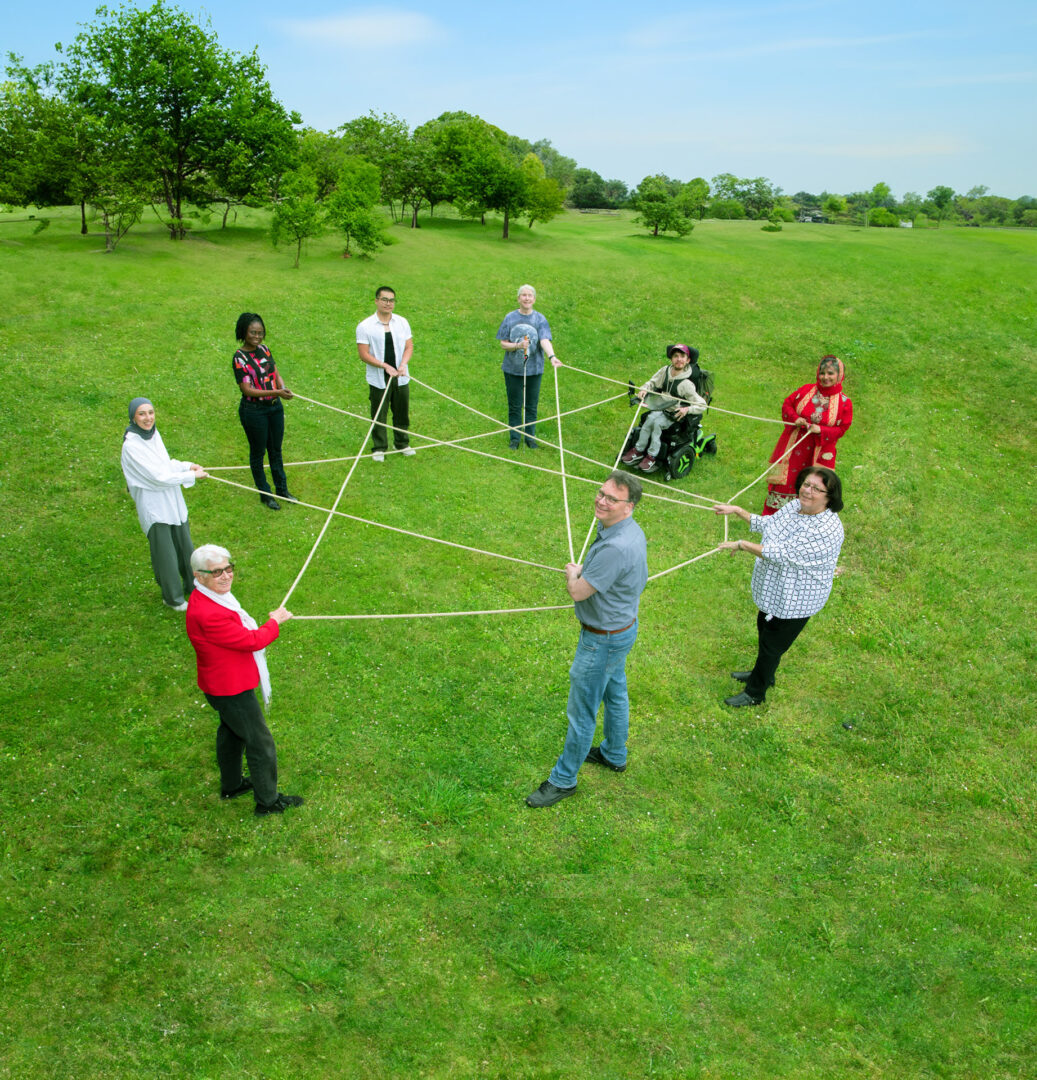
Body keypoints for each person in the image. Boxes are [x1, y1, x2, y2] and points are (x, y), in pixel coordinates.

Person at [527, 473, 648, 808]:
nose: (601, 501)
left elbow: (579, 592)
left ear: (629, 507)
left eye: (612, 499)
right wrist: (589, 569)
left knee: (582, 712)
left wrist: (574, 574)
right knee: (616, 691)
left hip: (602, 639)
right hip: (621, 630)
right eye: (601, 493)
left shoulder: (616, 547)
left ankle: (563, 780)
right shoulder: (628, 531)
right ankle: (614, 754)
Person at [185, 544, 303, 816]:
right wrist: (275, 621)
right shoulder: (208, 613)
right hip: (230, 689)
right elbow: (252, 641)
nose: (226, 576)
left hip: (221, 684)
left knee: (231, 732)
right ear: (199, 575)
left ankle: (232, 785)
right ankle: (267, 802)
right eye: (217, 572)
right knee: (260, 743)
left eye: (228, 568)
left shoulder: (208, 596)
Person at [713, 467, 845, 707]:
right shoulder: (796, 506)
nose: (808, 491)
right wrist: (738, 511)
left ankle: (755, 693)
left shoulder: (826, 530)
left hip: (796, 599)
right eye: (806, 484)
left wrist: (742, 545)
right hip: (775, 591)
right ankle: (763, 673)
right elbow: (769, 524)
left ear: (829, 497)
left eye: (817, 489)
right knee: (764, 632)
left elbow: (781, 554)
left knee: (772, 645)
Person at [121, 397, 207, 612]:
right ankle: (173, 598)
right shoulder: (131, 446)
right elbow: (157, 477)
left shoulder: (153, 434)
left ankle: (193, 586)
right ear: (133, 417)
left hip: (172, 501)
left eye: (150, 412)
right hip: (155, 507)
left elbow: (164, 465)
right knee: (165, 554)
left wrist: (187, 466)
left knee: (185, 546)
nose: (148, 418)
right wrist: (191, 476)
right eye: (142, 414)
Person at [763, 355, 852, 515]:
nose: (825, 377)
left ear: (839, 375)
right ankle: (775, 517)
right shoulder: (806, 390)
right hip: (794, 447)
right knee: (787, 481)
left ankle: (807, 517)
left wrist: (821, 430)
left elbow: (842, 429)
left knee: (816, 484)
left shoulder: (845, 403)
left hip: (820, 451)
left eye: (830, 373)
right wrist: (795, 419)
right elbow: (787, 405)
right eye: (822, 373)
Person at [233, 312, 296, 511]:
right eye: (253, 332)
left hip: (274, 408)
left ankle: (282, 490)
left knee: (276, 450)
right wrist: (276, 392)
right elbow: (247, 389)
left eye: (260, 333)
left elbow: (275, 373)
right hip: (254, 411)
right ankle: (265, 494)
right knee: (258, 452)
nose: (257, 336)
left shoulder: (265, 350)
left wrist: (282, 387)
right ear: (244, 332)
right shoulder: (239, 358)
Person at [621, 344, 708, 472]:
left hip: (673, 414)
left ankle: (652, 456)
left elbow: (702, 404)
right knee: (648, 421)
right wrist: (644, 389)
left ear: (688, 360)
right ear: (671, 359)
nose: (679, 359)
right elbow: (652, 382)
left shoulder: (687, 384)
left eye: (682, 356)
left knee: (656, 424)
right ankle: (638, 450)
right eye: (675, 356)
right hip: (660, 407)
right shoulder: (665, 371)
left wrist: (687, 409)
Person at [495, 284, 562, 449]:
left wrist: (552, 357)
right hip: (513, 370)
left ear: (534, 299)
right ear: (518, 299)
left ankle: (530, 438)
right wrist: (518, 345)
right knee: (515, 406)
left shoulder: (540, 319)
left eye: (529, 295)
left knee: (531, 406)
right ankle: (515, 439)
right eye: (523, 295)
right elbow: (503, 344)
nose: (526, 298)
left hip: (534, 370)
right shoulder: (510, 318)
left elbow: (544, 340)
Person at [356, 285, 415, 462]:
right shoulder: (365, 326)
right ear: (376, 301)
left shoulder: (402, 322)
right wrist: (384, 366)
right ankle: (379, 447)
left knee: (402, 411)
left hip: (401, 376)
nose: (388, 303)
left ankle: (402, 443)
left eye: (391, 300)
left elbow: (409, 347)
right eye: (384, 300)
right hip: (379, 378)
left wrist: (403, 364)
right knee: (379, 413)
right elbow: (363, 354)